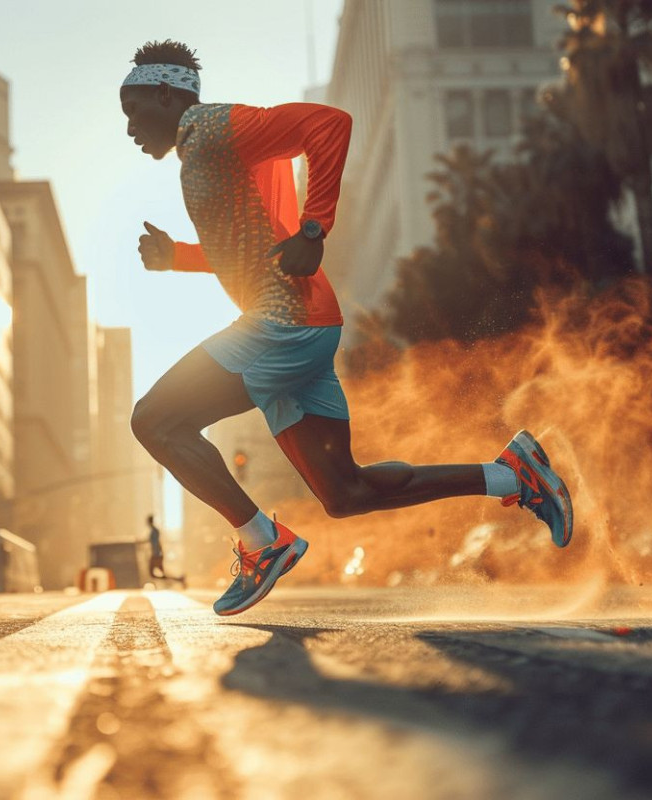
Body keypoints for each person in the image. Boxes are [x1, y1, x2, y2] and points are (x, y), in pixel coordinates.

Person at [120, 40, 573, 617]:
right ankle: (512, 476)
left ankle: (263, 541)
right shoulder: (199, 152)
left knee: (155, 420)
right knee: (345, 493)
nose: (131, 127)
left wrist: (315, 229)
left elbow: (329, 123)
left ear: (166, 93)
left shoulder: (208, 126)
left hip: (279, 324)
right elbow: (245, 248)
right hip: (302, 326)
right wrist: (177, 257)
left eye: (134, 109)